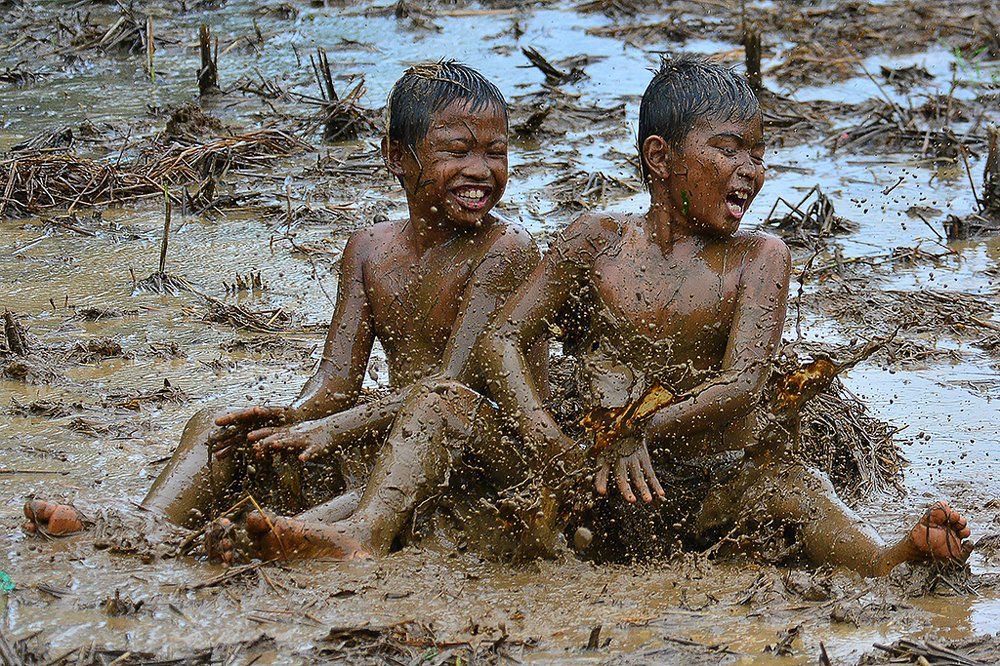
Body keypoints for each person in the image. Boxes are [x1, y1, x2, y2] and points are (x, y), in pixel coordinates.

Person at [24, 61, 549, 563]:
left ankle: (335, 536)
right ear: (396, 156)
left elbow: (450, 384)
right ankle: (147, 524)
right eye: (457, 151)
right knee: (220, 427)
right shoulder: (368, 249)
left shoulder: (506, 248)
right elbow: (336, 380)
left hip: (477, 453)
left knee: (434, 405)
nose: (480, 171)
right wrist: (296, 418)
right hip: (388, 436)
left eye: (496, 153)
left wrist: (328, 431)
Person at [477, 55, 972, 576]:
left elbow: (743, 383)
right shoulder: (595, 241)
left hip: (718, 487)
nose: (750, 170)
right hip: (602, 476)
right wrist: (550, 440)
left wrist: (637, 428)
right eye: (728, 148)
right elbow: (500, 340)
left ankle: (889, 558)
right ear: (660, 158)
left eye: (757, 154)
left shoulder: (759, 258)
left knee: (798, 489)